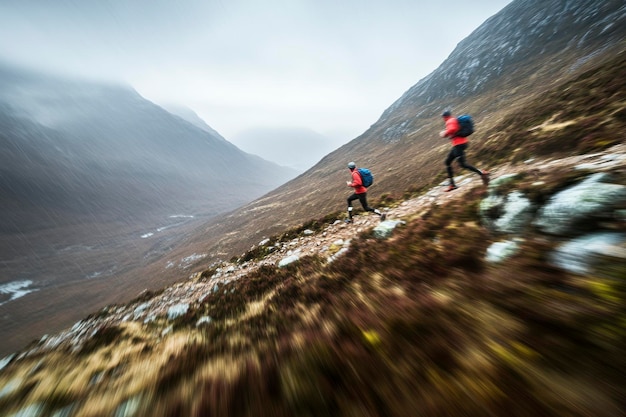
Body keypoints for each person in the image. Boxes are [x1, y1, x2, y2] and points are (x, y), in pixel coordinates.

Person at [439, 110, 490, 192]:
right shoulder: (453, 120)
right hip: (459, 144)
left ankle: (482, 173)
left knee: (463, 164)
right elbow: (455, 131)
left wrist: (444, 133)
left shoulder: (449, 121)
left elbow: (452, 129)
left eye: (443, 117)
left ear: (444, 117)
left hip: (459, 145)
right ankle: (452, 184)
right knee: (447, 162)